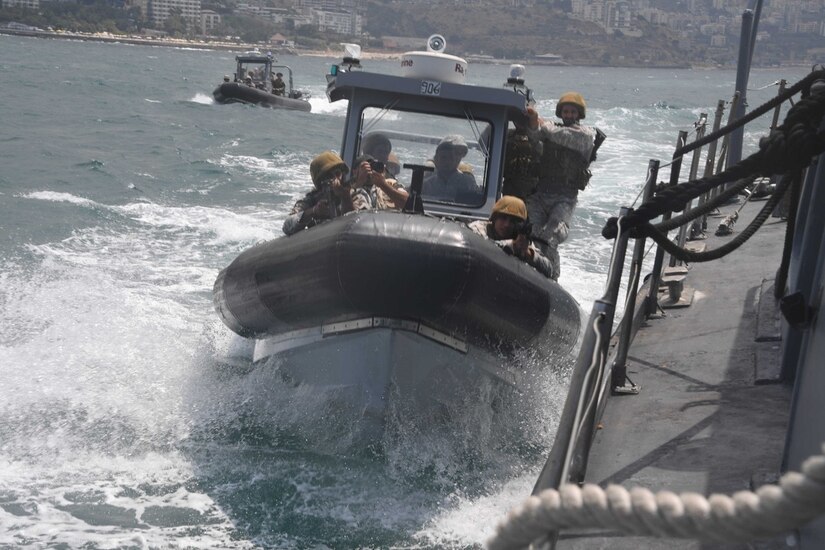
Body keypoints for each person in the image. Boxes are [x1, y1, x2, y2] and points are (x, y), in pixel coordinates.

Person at [524, 92, 604, 280]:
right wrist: (534, 121)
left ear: (579, 114)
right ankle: (529, 272)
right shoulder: (551, 128)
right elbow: (535, 137)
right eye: (565, 111)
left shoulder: (585, 135)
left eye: (572, 112)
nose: (568, 115)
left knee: (551, 237)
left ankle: (552, 278)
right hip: (541, 193)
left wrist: (543, 125)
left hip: (565, 198)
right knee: (530, 234)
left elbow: (560, 135)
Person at [468, 196, 555, 279]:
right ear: (494, 218)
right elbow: (482, 248)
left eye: (512, 221)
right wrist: (511, 245)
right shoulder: (478, 228)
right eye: (503, 218)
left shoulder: (520, 239)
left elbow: (549, 270)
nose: (506, 225)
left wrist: (528, 253)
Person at [282, 152, 353, 236]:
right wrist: (314, 211)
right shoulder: (311, 200)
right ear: (320, 181)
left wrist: (345, 198)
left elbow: (357, 223)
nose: (335, 179)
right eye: (329, 176)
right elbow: (287, 226)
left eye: (337, 173)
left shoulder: (354, 194)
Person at [421, 135, 481, 201]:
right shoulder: (427, 183)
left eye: (460, 153)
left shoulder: (467, 182)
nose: (447, 161)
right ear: (436, 159)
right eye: (443, 157)